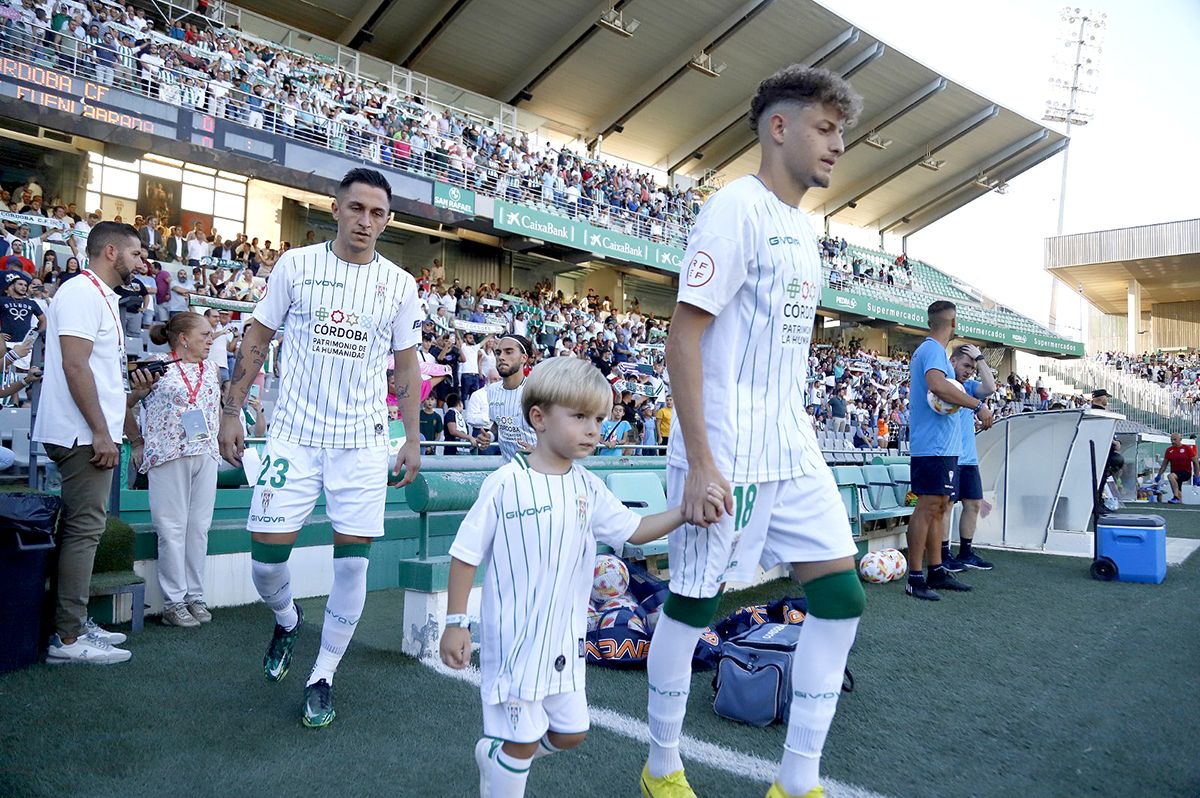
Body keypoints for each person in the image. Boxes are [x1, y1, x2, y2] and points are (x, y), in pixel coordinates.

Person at [643, 65, 868, 798]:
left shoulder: (803, 232)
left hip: (791, 444)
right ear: (780, 127)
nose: (838, 145)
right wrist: (704, 461)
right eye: (825, 128)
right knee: (695, 605)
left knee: (841, 598)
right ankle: (662, 766)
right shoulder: (733, 210)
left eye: (841, 132)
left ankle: (795, 781)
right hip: (727, 449)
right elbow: (683, 337)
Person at [439, 357, 724, 798]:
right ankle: (505, 767)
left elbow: (632, 530)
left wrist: (684, 514)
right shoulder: (505, 483)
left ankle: (497, 762)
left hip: (565, 643)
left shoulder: (587, 486)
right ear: (538, 418)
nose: (593, 429)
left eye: (598, 419)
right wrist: (456, 623)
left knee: (571, 732)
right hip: (516, 642)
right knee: (521, 742)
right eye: (579, 417)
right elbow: (464, 555)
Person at [217, 168, 423, 729]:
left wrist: (411, 435)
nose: (366, 221)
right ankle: (286, 620)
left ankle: (323, 675)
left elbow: (406, 365)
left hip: (362, 444)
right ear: (335, 209)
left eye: (377, 213)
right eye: (356, 208)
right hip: (294, 437)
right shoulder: (296, 266)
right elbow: (257, 338)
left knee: (351, 565)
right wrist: (231, 410)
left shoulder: (400, 285)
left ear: (388, 220)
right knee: (265, 557)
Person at [34, 222, 157, 664]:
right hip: (81, 435)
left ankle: (74, 623)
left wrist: (125, 408)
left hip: (87, 431)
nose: (142, 262)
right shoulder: (82, 292)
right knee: (84, 532)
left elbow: (94, 374)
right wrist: (102, 432)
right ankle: (67, 639)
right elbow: (74, 367)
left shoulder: (97, 295)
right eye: (136, 253)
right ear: (111, 252)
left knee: (86, 529)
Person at [135, 313, 220, 627]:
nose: (211, 340)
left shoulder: (210, 367)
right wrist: (137, 441)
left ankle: (195, 596)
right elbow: (126, 401)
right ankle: (174, 602)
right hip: (168, 453)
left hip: (205, 453)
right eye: (205, 334)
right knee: (171, 529)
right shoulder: (156, 364)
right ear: (183, 338)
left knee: (198, 528)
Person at [906, 301, 993, 602]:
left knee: (940, 507)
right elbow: (938, 386)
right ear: (953, 323)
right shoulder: (931, 350)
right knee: (928, 508)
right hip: (932, 446)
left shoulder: (934, 352)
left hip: (941, 446)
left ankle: (936, 570)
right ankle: (915, 578)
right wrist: (978, 406)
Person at [944, 344, 996, 571]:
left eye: (972, 368)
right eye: (966, 365)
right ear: (953, 361)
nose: (969, 371)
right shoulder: (944, 384)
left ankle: (965, 553)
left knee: (973, 504)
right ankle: (942, 554)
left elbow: (990, 387)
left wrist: (979, 359)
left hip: (969, 457)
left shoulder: (971, 386)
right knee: (945, 505)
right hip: (950, 455)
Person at [468, 334, 538, 461]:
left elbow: (561, 430)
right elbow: (498, 423)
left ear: (524, 358)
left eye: (509, 352)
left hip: (540, 470)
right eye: (498, 353)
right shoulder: (492, 390)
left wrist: (541, 451)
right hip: (509, 469)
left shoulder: (538, 391)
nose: (501, 357)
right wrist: (489, 436)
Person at [1154, 432, 1199, 504]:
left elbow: (1195, 462)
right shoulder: (1169, 450)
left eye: (1175, 439)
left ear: (1180, 439)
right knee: (1178, 492)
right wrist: (1159, 475)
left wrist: (1197, 476)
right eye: (1171, 440)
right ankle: (1180, 504)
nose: (1173, 441)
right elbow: (1164, 465)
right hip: (1175, 474)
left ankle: (1175, 497)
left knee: (1170, 476)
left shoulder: (1187, 449)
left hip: (1185, 473)